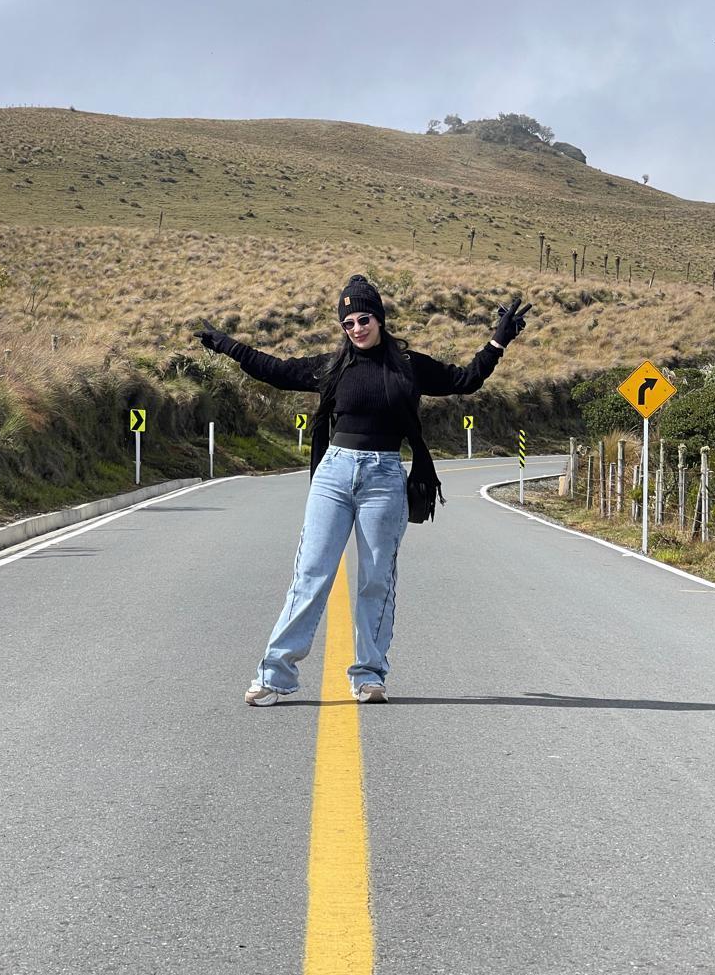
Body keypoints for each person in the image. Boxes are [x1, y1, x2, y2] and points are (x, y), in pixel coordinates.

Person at [196, 275, 531, 706]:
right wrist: (227, 345)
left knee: (376, 580)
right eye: (348, 323)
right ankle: (274, 676)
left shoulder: (408, 365)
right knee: (310, 575)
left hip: (384, 478)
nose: (357, 328)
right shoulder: (333, 366)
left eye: (364, 319)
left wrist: (498, 342)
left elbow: (464, 380)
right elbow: (275, 371)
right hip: (333, 477)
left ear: (380, 318)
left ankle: (370, 676)